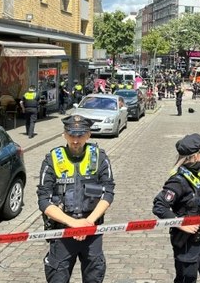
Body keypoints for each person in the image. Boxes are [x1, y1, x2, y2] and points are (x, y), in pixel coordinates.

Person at [36, 114, 115, 283]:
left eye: (80, 135)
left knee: (94, 277)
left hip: (92, 231)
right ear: (64, 134)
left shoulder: (99, 157)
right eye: (71, 135)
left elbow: (108, 192)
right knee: (57, 278)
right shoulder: (52, 159)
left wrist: (88, 222)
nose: (75, 141)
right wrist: (73, 224)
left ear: (88, 135)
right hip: (62, 232)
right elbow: (43, 200)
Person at [152, 134, 200, 283]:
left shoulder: (199, 170)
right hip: (186, 240)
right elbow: (160, 206)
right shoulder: (178, 181)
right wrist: (180, 223)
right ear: (195, 155)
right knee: (187, 279)